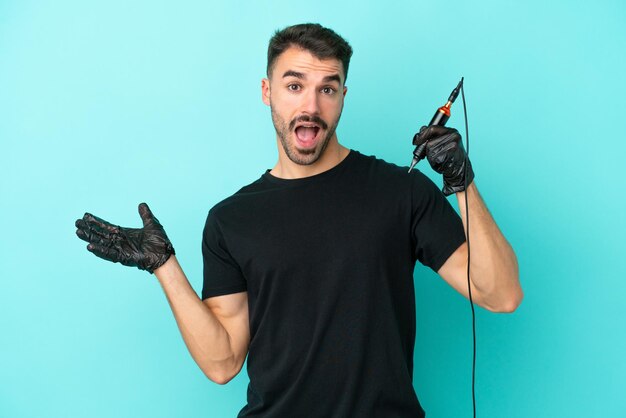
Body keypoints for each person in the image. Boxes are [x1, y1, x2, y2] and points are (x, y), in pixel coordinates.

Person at [75, 23, 522, 418]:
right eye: (294, 86)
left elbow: (500, 294)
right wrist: (163, 266)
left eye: (328, 88)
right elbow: (223, 362)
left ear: (343, 96)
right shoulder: (231, 219)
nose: (311, 106)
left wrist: (461, 181)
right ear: (267, 91)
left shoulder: (400, 191)